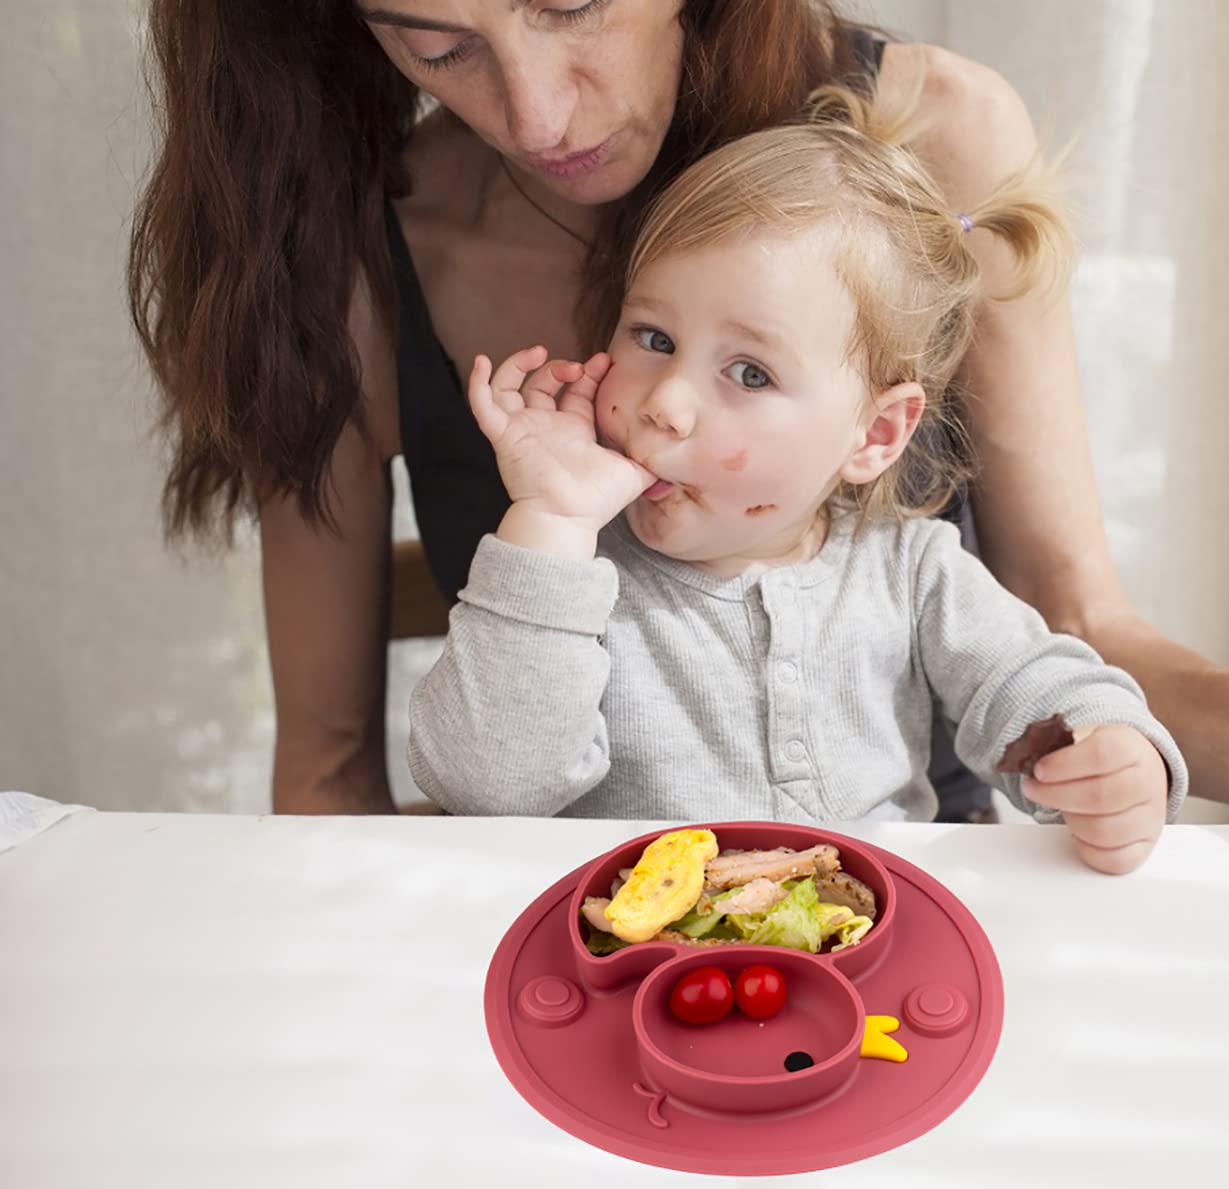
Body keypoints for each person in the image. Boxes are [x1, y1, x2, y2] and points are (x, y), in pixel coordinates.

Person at [128, 1, 1229, 848]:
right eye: (436, 44)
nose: (535, 114)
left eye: (575, 1)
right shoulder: (349, 236)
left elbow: (1069, 639)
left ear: (878, 427)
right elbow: (330, 776)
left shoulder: (938, 144)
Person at [408, 86, 1188, 874]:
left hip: (868, 962)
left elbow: (1030, 681)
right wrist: (553, 520)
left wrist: (1109, 745)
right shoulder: (571, 582)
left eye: (748, 372)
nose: (666, 403)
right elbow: (484, 786)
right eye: (653, 335)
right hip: (641, 972)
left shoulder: (912, 572)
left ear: (875, 433)